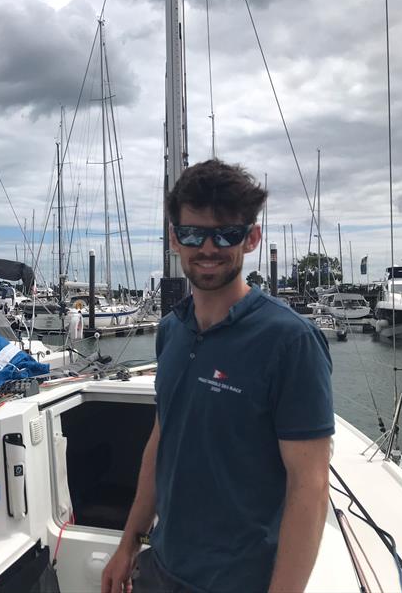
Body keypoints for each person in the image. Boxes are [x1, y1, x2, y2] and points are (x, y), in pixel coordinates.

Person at [101, 159, 333, 593]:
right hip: (161, 567)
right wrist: (128, 543)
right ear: (174, 239)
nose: (207, 248)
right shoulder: (171, 329)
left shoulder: (290, 341)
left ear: (252, 239)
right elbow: (162, 436)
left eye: (226, 234)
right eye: (192, 234)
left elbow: (310, 486)